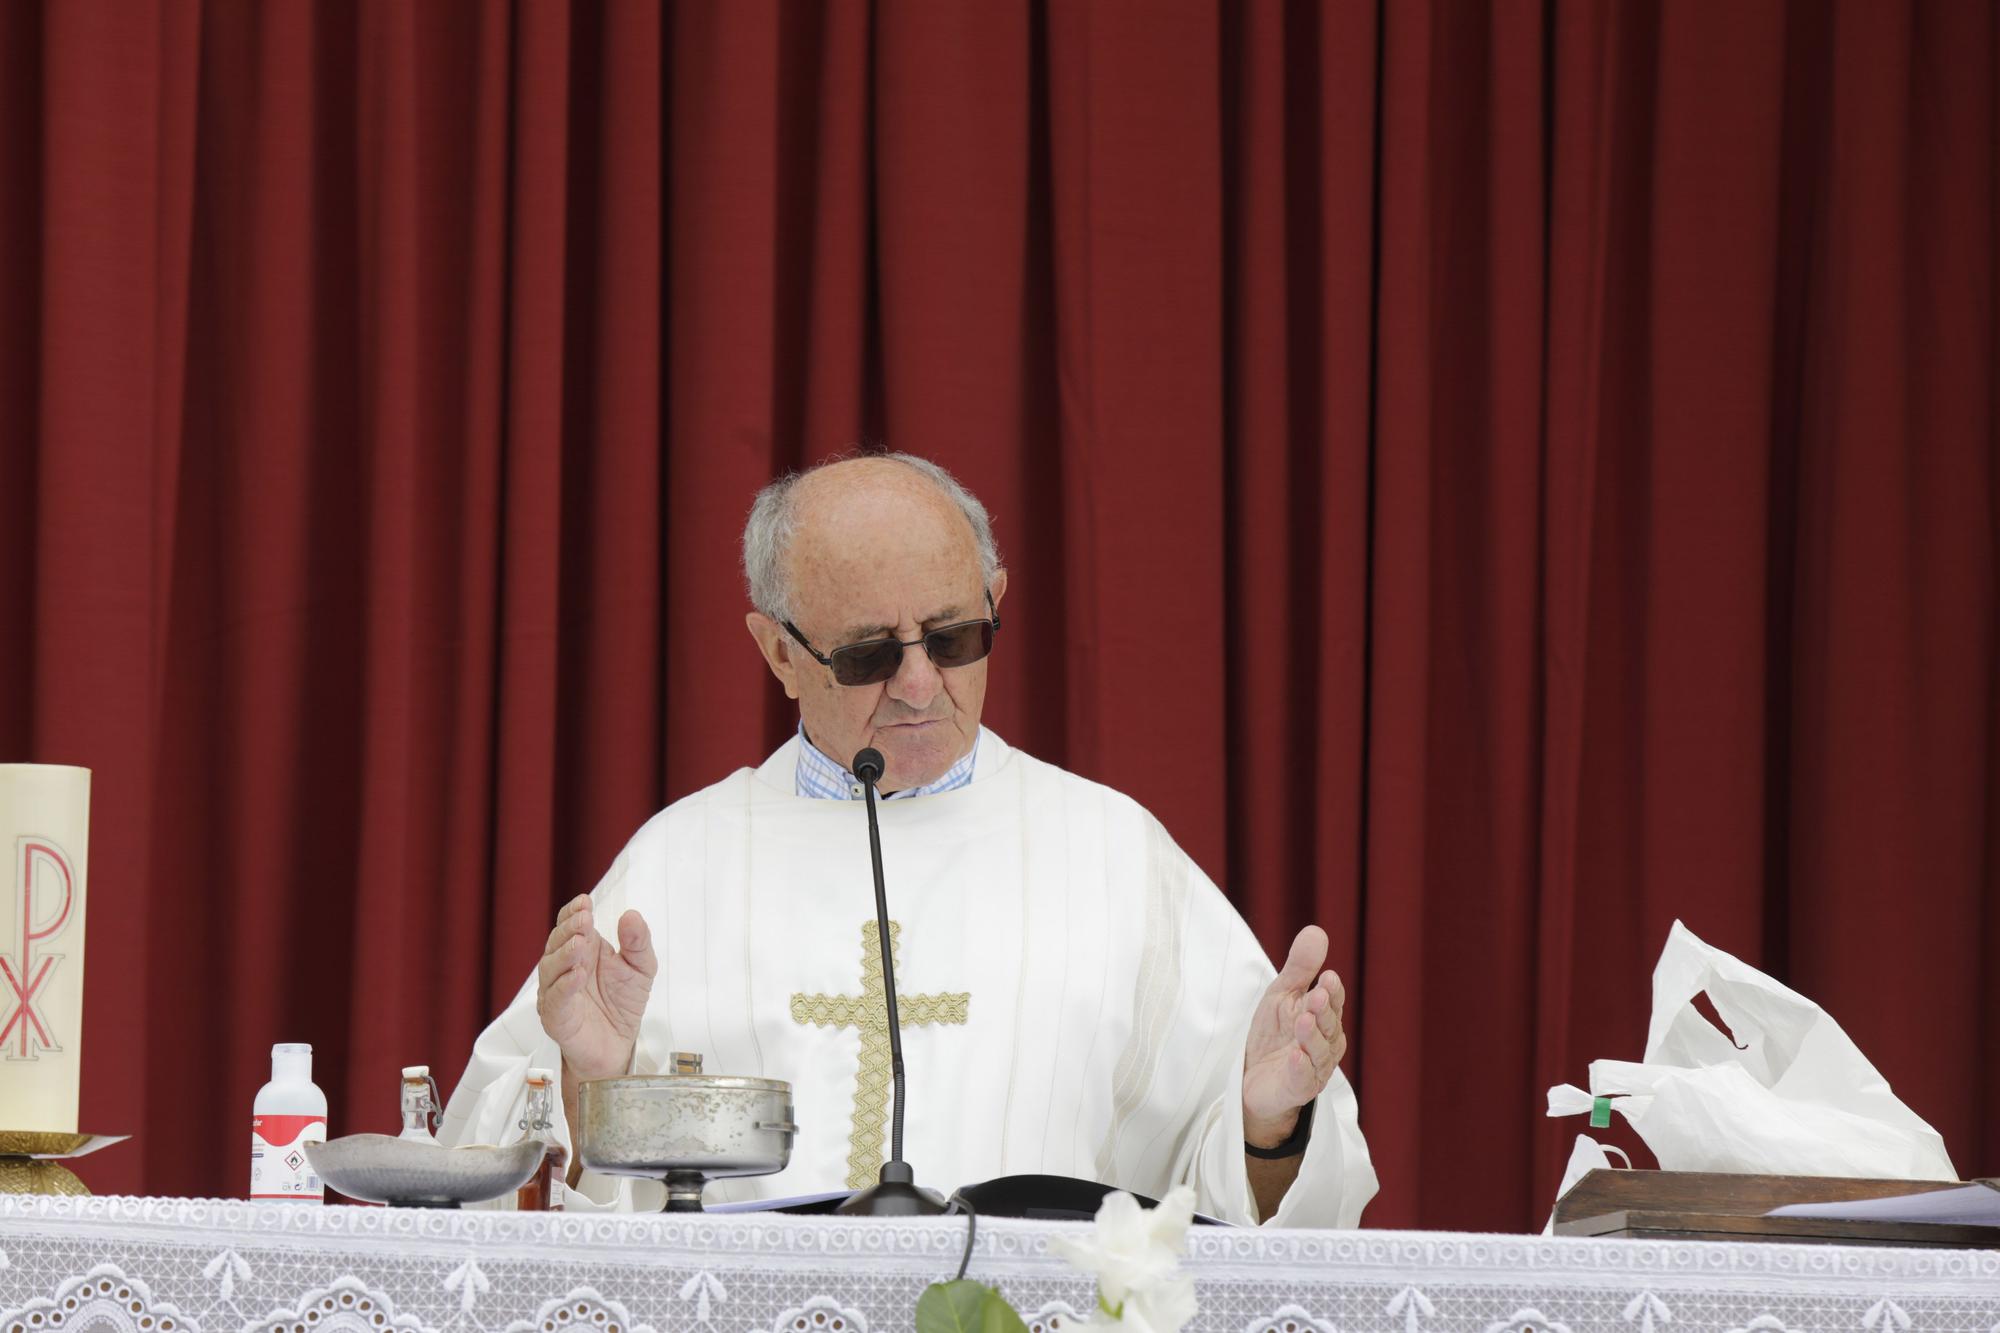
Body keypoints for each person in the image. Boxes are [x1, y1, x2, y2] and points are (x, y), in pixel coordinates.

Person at [439, 453, 1377, 1225]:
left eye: (955, 637)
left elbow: (1258, 1217)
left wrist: (1267, 1123)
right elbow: (488, 1195)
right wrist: (580, 1078)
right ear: (776, 651)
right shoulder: (677, 868)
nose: (922, 686)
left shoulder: (1116, 857)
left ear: (997, 600)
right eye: (869, 654)